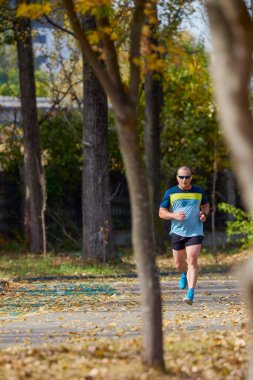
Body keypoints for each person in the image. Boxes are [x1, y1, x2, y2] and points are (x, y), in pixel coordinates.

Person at [159, 166, 210, 305]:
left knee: (192, 260)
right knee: (179, 264)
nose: (184, 179)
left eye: (187, 177)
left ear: (191, 178)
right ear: (177, 178)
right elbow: (161, 212)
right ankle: (183, 273)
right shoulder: (171, 192)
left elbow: (206, 206)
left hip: (195, 231)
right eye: (181, 177)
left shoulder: (198, 192)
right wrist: (173, 215)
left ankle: (191, 293)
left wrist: (203, 214)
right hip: (177, 232)